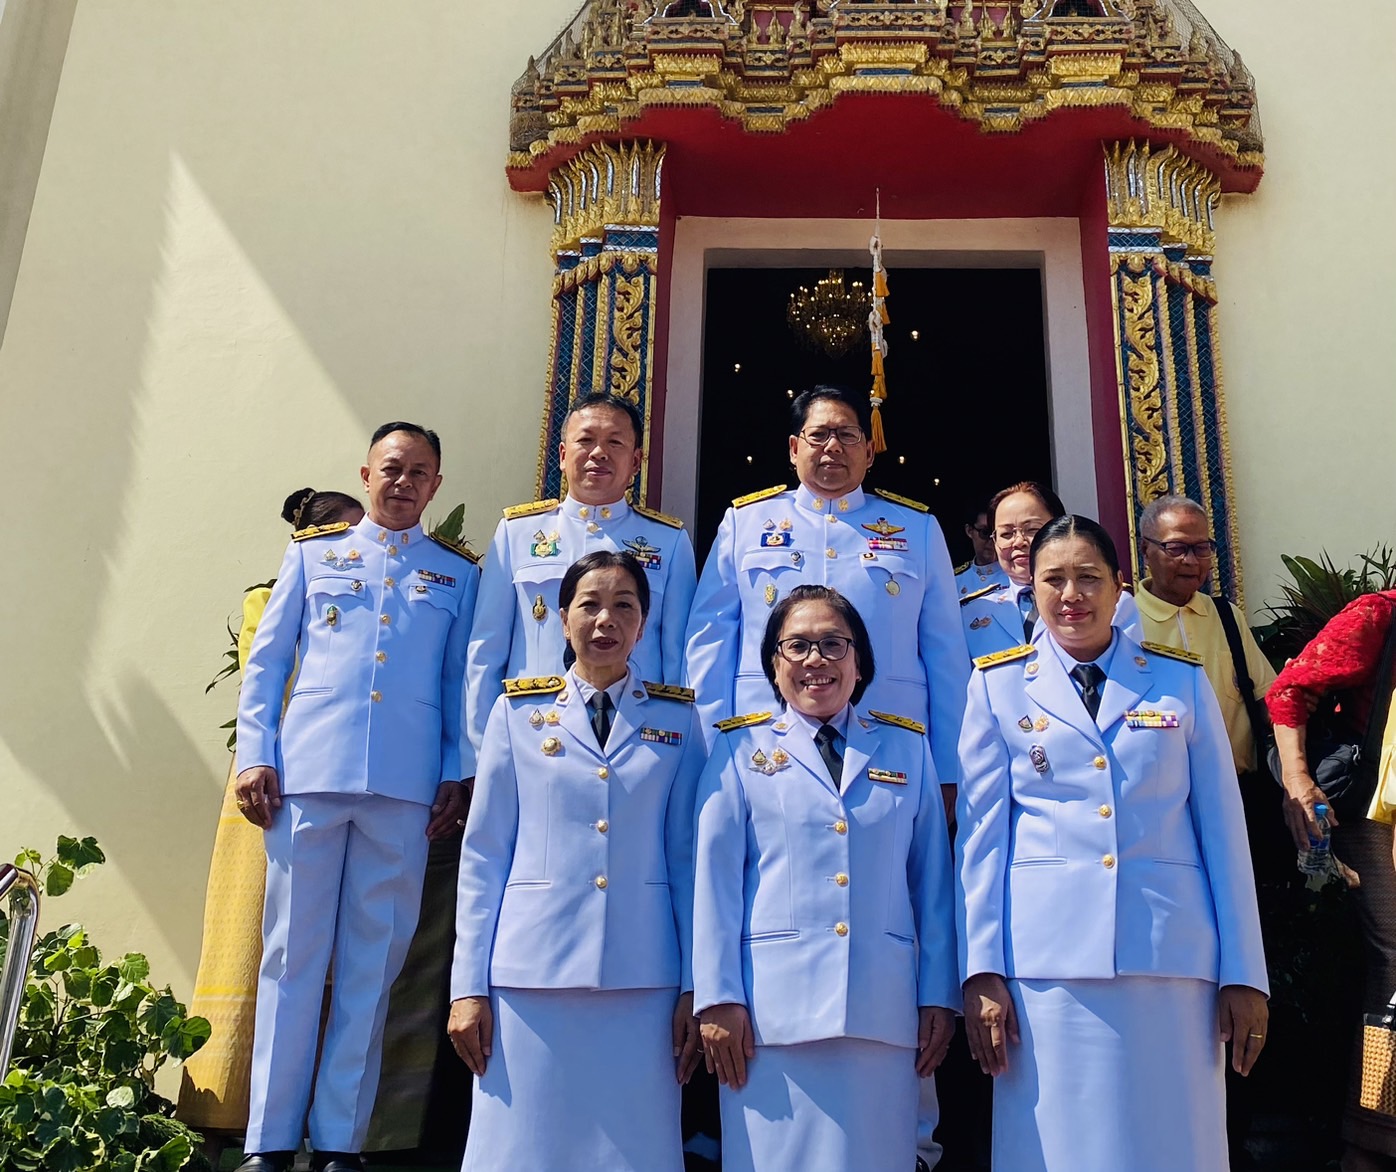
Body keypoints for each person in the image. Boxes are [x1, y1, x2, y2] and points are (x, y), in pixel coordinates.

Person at [957, 514, 1268, 1171]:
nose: (1072, 594)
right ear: (1032, 590)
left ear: (1119, 587)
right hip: (1045, 967)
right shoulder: (996, 684)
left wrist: (1244, 972)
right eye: (1054, 580)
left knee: (1173, 1142)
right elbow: (982, 842)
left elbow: (1222, 833)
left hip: (1171, 959)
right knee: (1059, 1147)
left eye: (1088, 578)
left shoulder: (1179, 680)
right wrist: (981, 969)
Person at [233, 423, 480, 1172]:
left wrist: (455, 772)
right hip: (307, 779)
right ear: (365, 474)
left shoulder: (455, 574)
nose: (404, 483)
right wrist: (254, 756)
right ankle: (270, 1142)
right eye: (392, 469)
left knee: (373, 970)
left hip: (402, 791)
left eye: (420, 473)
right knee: (290, 960)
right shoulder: (314, 554)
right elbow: (269, 664)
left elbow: (458, 687)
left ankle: (342, 1141)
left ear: (436, 486)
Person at [449, 550, 705, 1171]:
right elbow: (485, 855)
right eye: (589, 604)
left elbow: (690, 863)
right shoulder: (515, 713)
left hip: (642, 974)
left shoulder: (678, 720)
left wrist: (699, 984)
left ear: (644, 624)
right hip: (530, 975)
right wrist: (466, 988)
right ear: (562, 618)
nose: (605, 620)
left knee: (633, 1150)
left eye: (624, 605)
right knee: (520, 1147)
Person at [693, 584, 959, 1172]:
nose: (817, 661)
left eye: (834, 645)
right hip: (768, 1016)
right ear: (773, 662)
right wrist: (717, 997)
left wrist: (939, 992)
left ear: (860, 662)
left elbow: (932, 888)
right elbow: (713, 887)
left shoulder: (907, 749)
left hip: (883, 1011)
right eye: (798, 646)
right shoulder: (739, 750)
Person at [179, 489, 364, 1142]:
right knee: (260, 944)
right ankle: (232, 1109)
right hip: (273, 782)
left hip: (331, 786)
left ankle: (317, 1116)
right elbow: (271, 682)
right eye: (346, 533)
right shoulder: (276, 596)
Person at [685, 384, 968, 780]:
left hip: (888, 735)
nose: (832, 446)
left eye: (848, 435)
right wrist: (708, 750)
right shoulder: (745, 523)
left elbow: (946, 652)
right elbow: (710, 642)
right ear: (793, 449)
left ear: (869, 452)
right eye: (818, 435)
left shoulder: (916, 528)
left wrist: (949, 768)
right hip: (763, 736)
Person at [466, 391, 697, 756]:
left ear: (635, 461)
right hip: (532, 731)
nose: (599, 453)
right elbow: (486, 649)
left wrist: (676, 747)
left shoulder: (668, 542)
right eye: (586, 440)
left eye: (614, 443)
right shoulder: (518, 533)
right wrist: (478, 755)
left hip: (634, 737)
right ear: (561, 455)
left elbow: (678, 658)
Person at [1269, 589, 1396, 1172]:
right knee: (1395, 971)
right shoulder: (1381, 613)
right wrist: (1299, 784)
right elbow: (1291, 690)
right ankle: (1372, 1139)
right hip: (1380, 816)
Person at [959, 480, 1140, 659]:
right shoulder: (970, 610)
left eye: (1031, 529)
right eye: (1006, 534)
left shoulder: (1113, 601)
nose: (1019, 541)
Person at [954, 504, 1009, 599]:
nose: (992, 540)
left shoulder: (1018, 575)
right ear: (969, 531)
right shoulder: (955, 580)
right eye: (985, 532)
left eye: (998, 533)